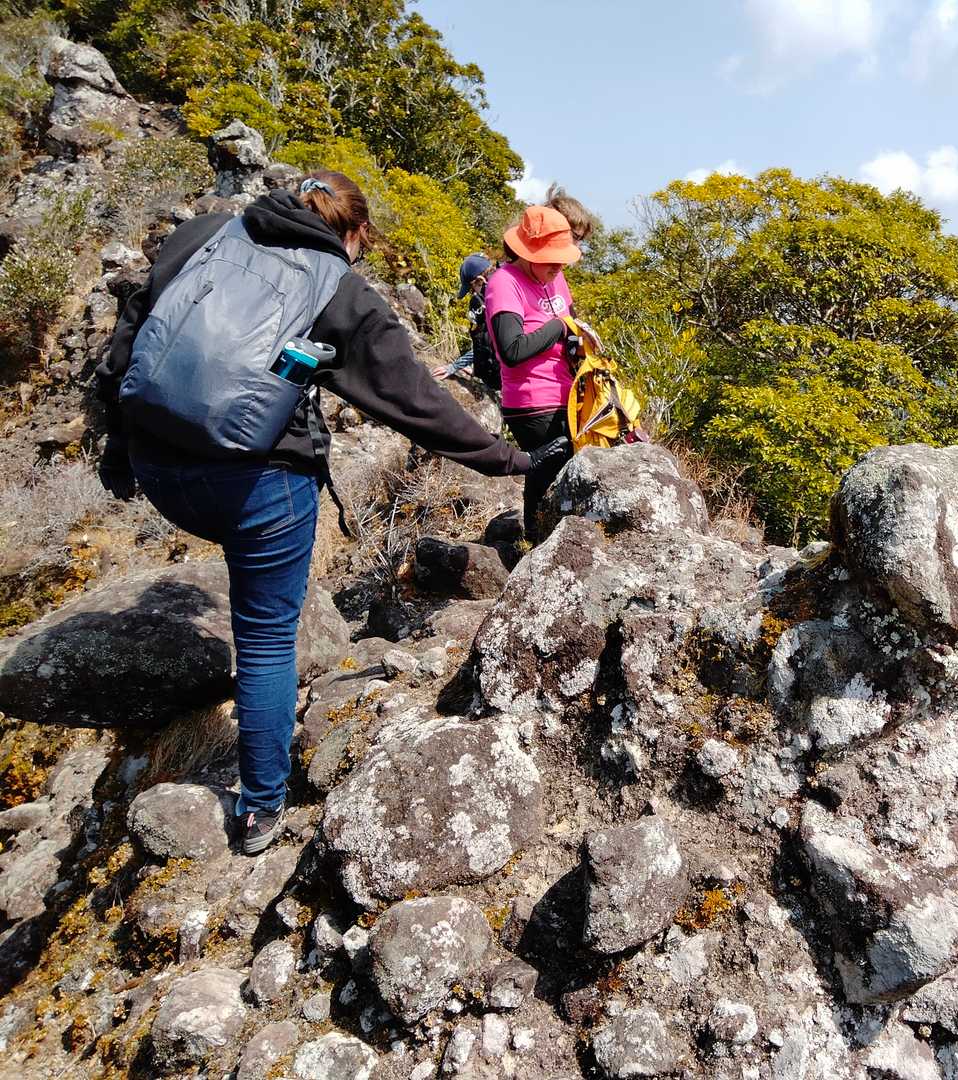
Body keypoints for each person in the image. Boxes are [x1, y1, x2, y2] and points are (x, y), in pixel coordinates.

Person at [94, 171, 569, 855]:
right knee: (264, 640)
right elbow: (414, 402)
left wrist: (118, 448)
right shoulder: (340, 290)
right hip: (258, 485)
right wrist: (511, 460)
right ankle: (260, 808)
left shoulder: (203, 235)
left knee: (256, 613)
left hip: (160, 468)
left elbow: (133, 330)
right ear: (355, 233)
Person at [486, 204, 591, 543]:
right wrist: (559, 327)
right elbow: (512, 350)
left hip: (567, 393)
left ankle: (545, 546)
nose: (559, 266)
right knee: (547, 478)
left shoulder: (555, 277)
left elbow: (570, 322)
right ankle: (536, 546)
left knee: (563, 477)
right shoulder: (504, 283)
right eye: (551, 259)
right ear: (526, 252)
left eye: (562, 258)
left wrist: (578, 338)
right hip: (532, 402)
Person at [432, 253, 499, 387]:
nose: (474, 294)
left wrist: (454, 366)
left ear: (480, 280)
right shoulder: (508, 285)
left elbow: (489, 344)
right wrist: (479, 365)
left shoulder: (497, 302)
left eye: (472, 289)